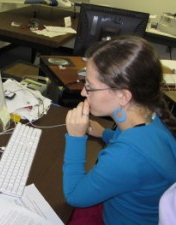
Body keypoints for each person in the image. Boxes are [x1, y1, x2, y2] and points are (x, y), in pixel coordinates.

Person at [63, 35, 176, 225]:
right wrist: (105, 133)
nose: (83, 93)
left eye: (89, 86)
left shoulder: (126, 157)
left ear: (123, 96)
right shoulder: (152, 116)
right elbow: (135, 142)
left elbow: (74, 195)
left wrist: (75, 138)